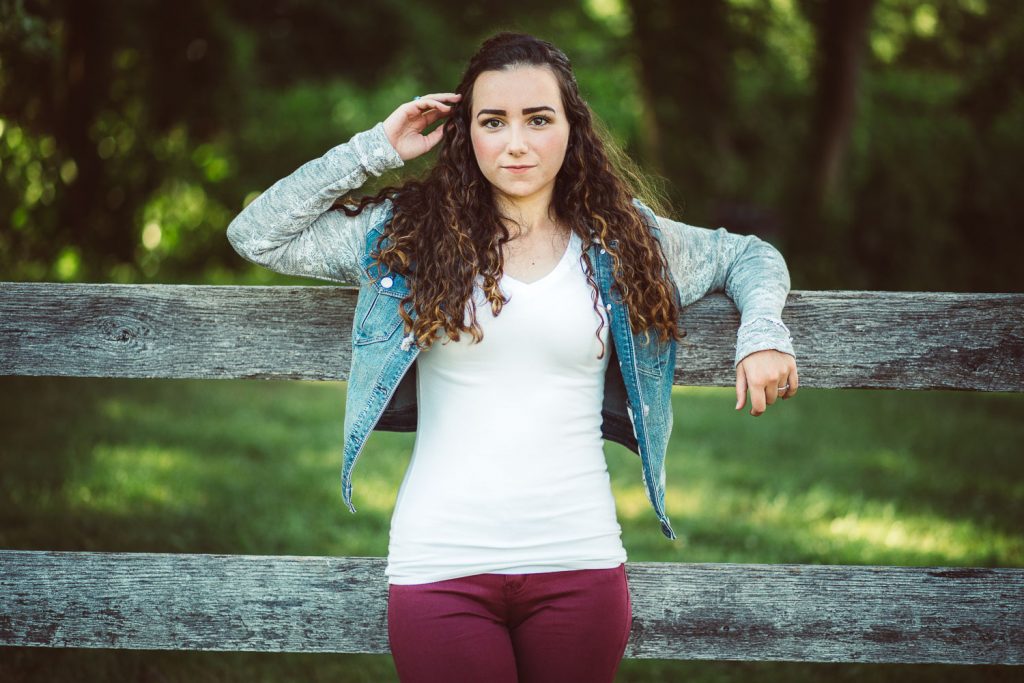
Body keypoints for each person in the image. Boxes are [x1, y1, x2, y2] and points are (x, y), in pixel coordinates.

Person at [226, 31, 797, 683]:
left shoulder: (621, 238)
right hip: (440, 564)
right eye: (493, 121)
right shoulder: (408, 234)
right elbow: (257, 233)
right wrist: (375, 148)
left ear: (570, 130)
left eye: (538, 119)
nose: (516, 142)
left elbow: (747, 255)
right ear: (466, 133)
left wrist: (763, 333)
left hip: (578, 561)